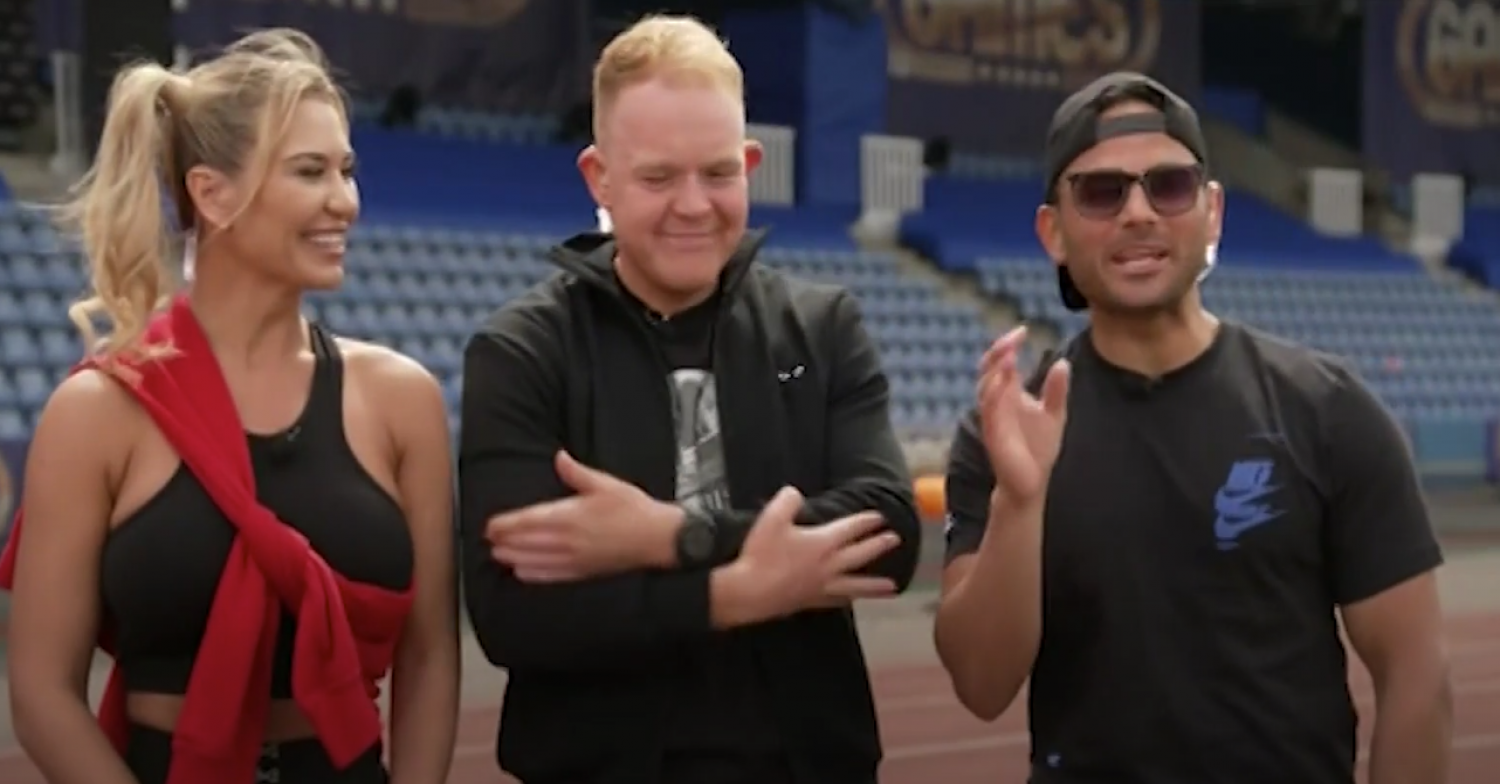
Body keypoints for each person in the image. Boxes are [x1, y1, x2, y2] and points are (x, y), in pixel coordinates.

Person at [933, 72, 1452, 783]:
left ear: (1212, 212)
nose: (1139, 213)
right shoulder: (1006, 436)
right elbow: (981, 684)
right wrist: (1019, 504)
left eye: (1169, 186)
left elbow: (1416, 672)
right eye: (1101, 192)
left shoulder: (1327, 409)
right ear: (1053, 232)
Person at [458, 13, 922, 784]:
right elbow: (511, 616)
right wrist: (728, 595)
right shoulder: (522, 351)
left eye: (717, 173)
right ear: (598, 178)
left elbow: (890, 533)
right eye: (657, 177)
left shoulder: (821, 325)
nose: (694, 205)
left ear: (749, 163)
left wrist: (673, 539)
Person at [2, 29, 459, 784]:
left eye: (347, 170)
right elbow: (43, 695)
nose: (345, 200)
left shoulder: (400, 399)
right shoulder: (97, 412)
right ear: (211, 194)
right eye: (311, 172)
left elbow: (431, 653)